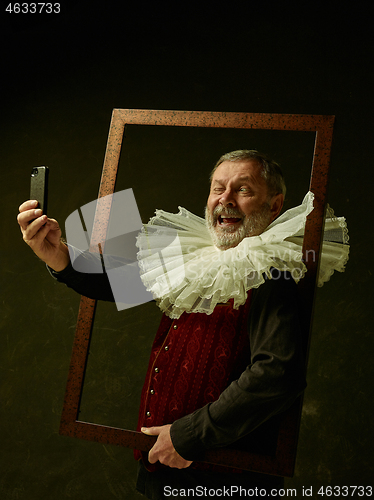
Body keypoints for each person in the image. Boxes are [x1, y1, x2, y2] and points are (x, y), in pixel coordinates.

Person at [18, 150, 311, 499]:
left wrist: (187, 436)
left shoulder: (274, 271)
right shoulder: (198, 255)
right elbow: (122, 280)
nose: (225, 200)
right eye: (218, 188)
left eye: (242, 190)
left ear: (274, 206)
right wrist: (59, 256)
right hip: (164, 465)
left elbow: (278, 375)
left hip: (224, 478)